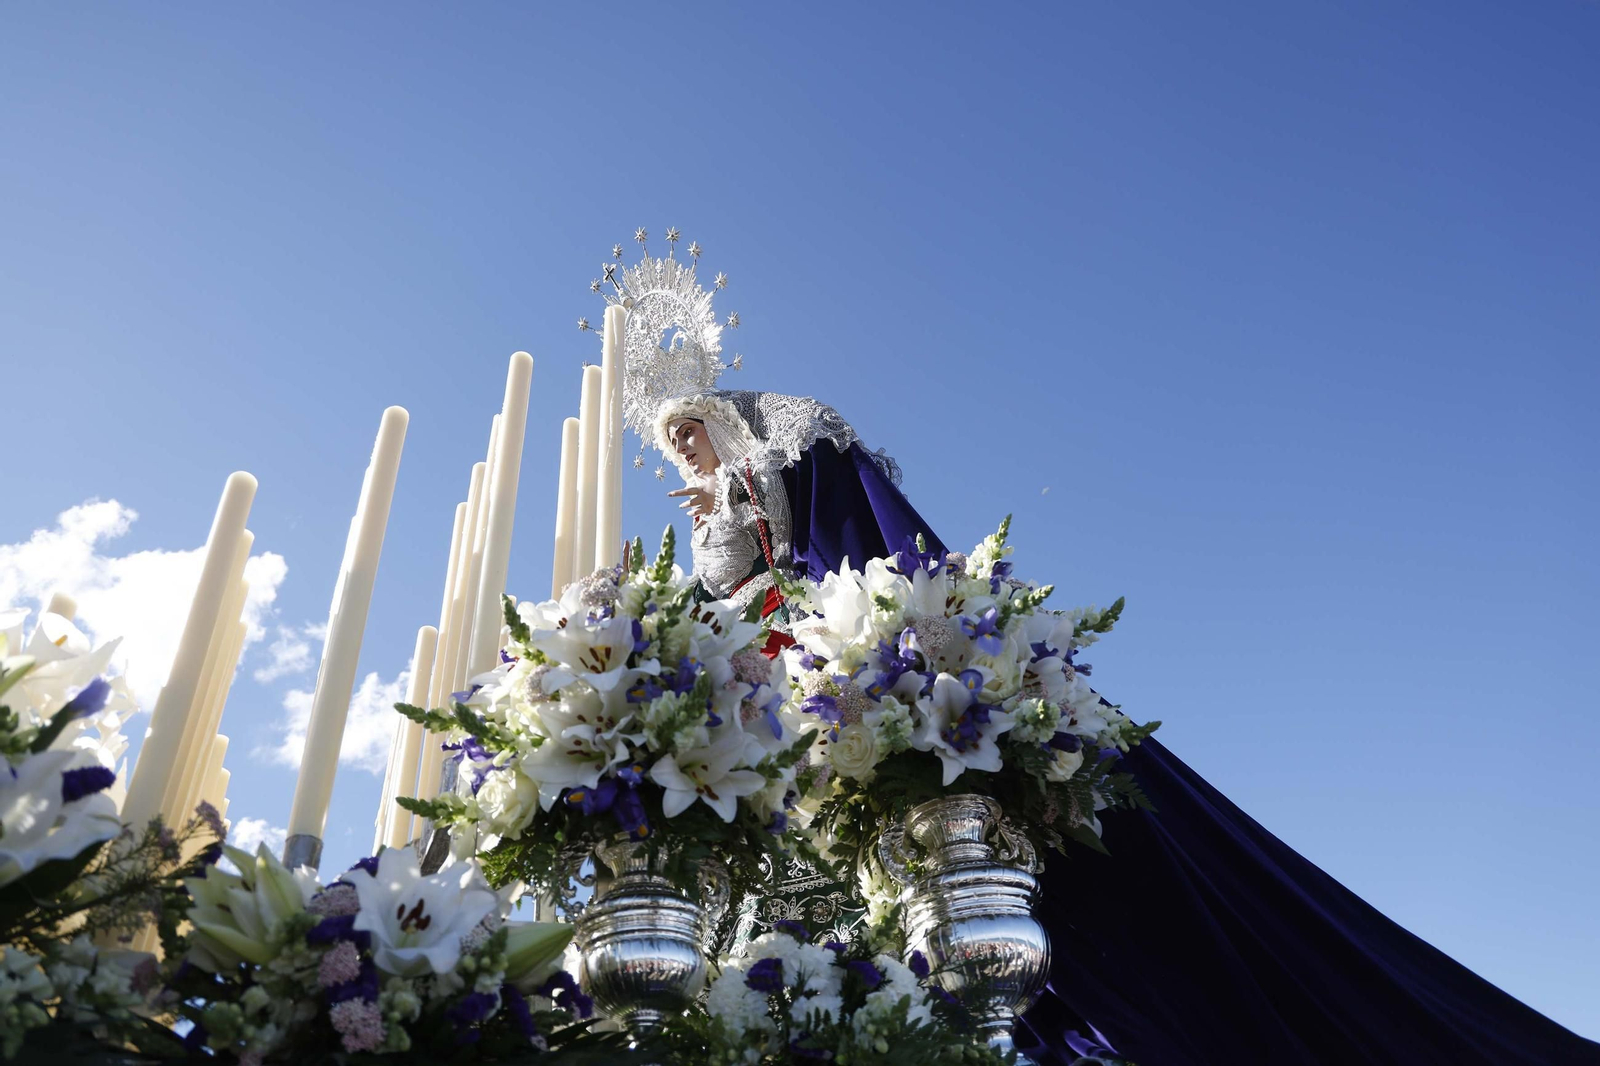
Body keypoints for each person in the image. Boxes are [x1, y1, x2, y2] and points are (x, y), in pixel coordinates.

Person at [646, 387, 1600, 1066]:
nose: (685, 452)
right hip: (783, 750)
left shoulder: (785, 477)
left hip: (857, 694)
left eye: (695, 431)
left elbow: (838, 557)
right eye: (673, 442)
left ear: (733, 422)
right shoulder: (708, 522)